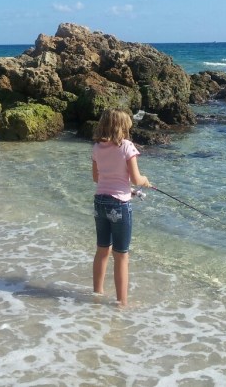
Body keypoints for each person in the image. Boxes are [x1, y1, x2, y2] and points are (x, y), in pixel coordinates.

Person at [91, 108, 152, 306]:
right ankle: (122, 303)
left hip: (100, 202)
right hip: (119, 205)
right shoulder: (127, 146)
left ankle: (97, 293)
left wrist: (128, 189)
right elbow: (136, 178)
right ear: (121, 127)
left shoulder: (97, 147)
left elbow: (97, 178)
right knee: (121, 255)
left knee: (102, 250)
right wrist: (145, 181)